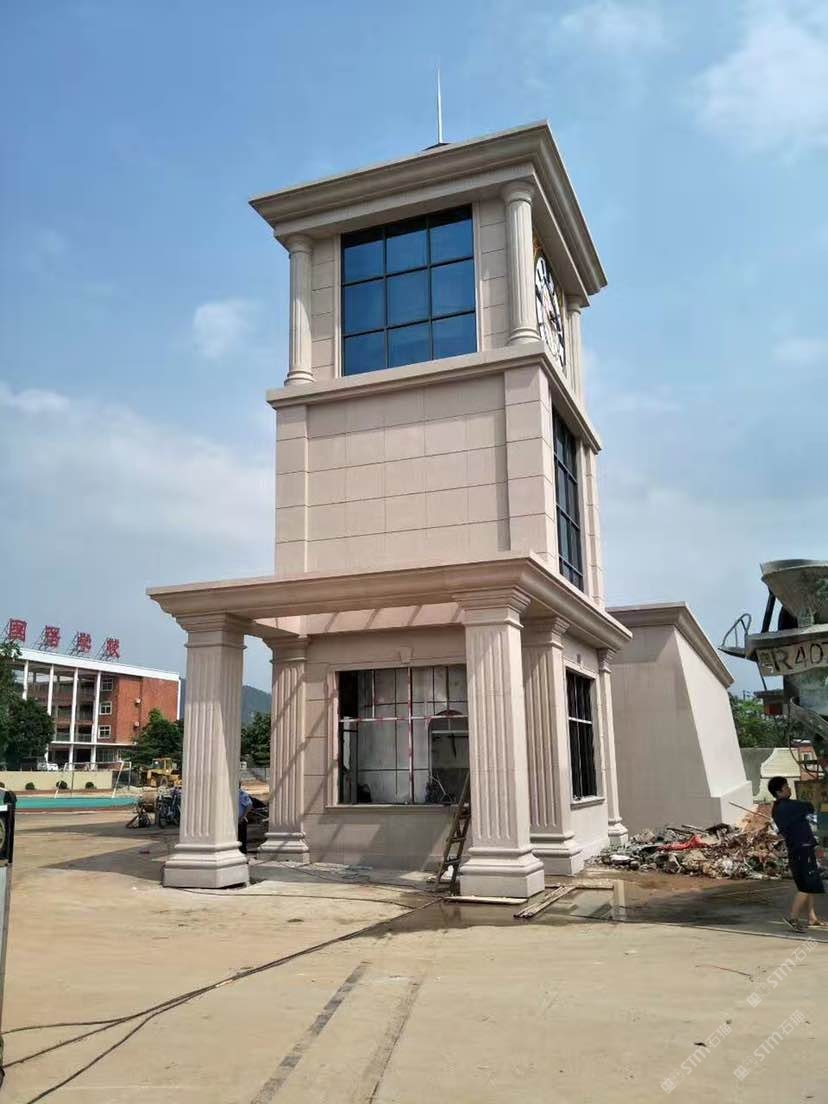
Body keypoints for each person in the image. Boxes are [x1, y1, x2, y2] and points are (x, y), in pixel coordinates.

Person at [768, 775, 824, 931]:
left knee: (807, 885)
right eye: (786, 787)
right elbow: (809, 806)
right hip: (802, 850)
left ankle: (812, 918)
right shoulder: (788, 806)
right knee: (806, 886)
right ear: (778, 792)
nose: (789, 789)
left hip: (797, 850)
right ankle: (793, 918)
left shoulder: (778, 808)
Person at [238, 784, 253, 855]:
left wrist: (243, 816)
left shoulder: (241, 794)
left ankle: (243, 854)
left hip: (240, 821)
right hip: (234, 821)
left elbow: (249, 805)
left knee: (241, 840)